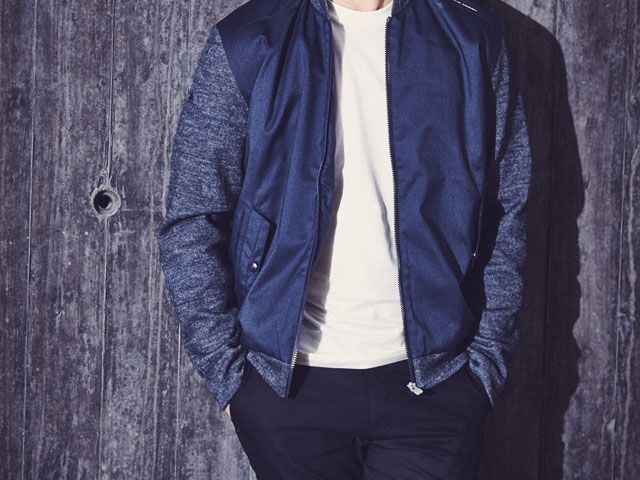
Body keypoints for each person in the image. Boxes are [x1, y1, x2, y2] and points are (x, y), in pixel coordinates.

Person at [156, 0, 532, 478]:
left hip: (437, 389)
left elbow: (506, 208)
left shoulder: (472, 37)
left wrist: (483, 367)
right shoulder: (250, 38)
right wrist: (232, 379)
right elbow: (194, 213)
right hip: (288, 389)